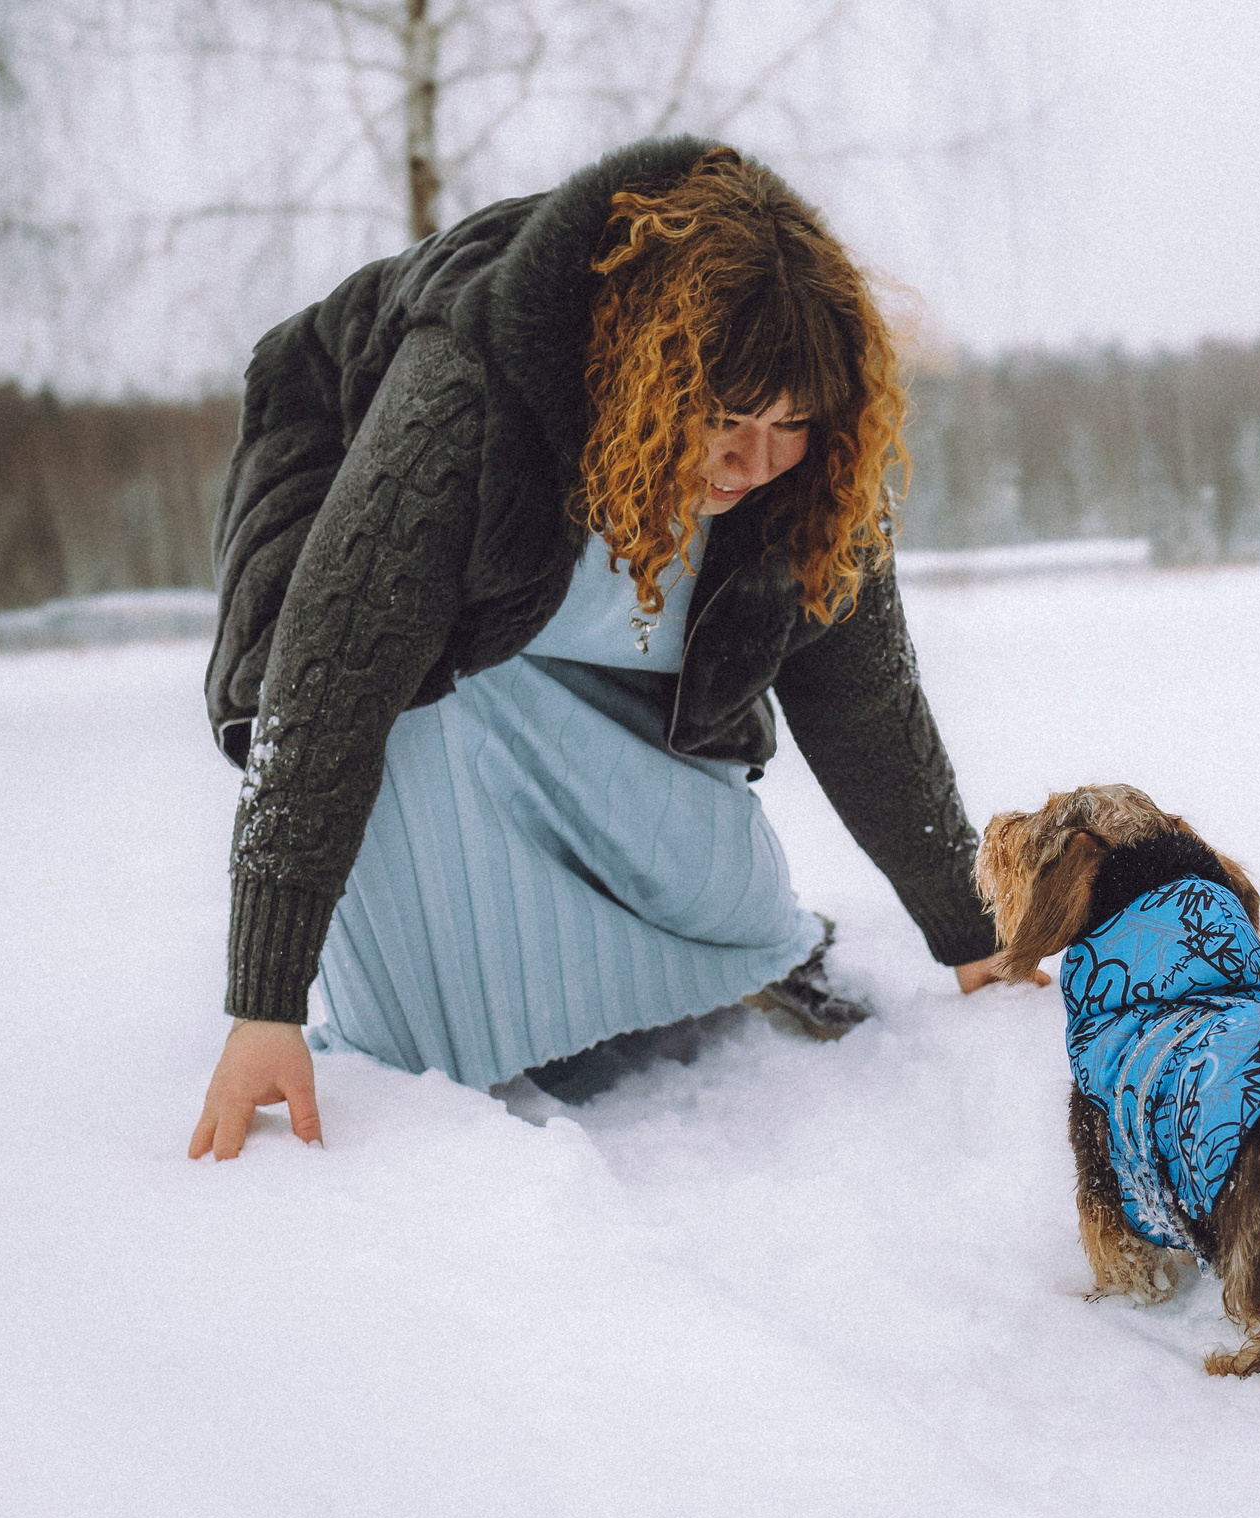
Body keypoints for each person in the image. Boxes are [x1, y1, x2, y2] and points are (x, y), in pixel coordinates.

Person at [189, 138, 1036, 1161]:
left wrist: (971, 928)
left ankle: (692, 948)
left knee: (727, 904)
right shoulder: (464, 384)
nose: (757, 460)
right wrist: (265, 1002)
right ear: (645, 374)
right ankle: (468, 988)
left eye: (793, 422)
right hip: (389, 625)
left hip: (585, 629)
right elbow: (330, 677)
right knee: (425, 787)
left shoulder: (804, 468)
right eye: (725, 419)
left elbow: (862, 699)